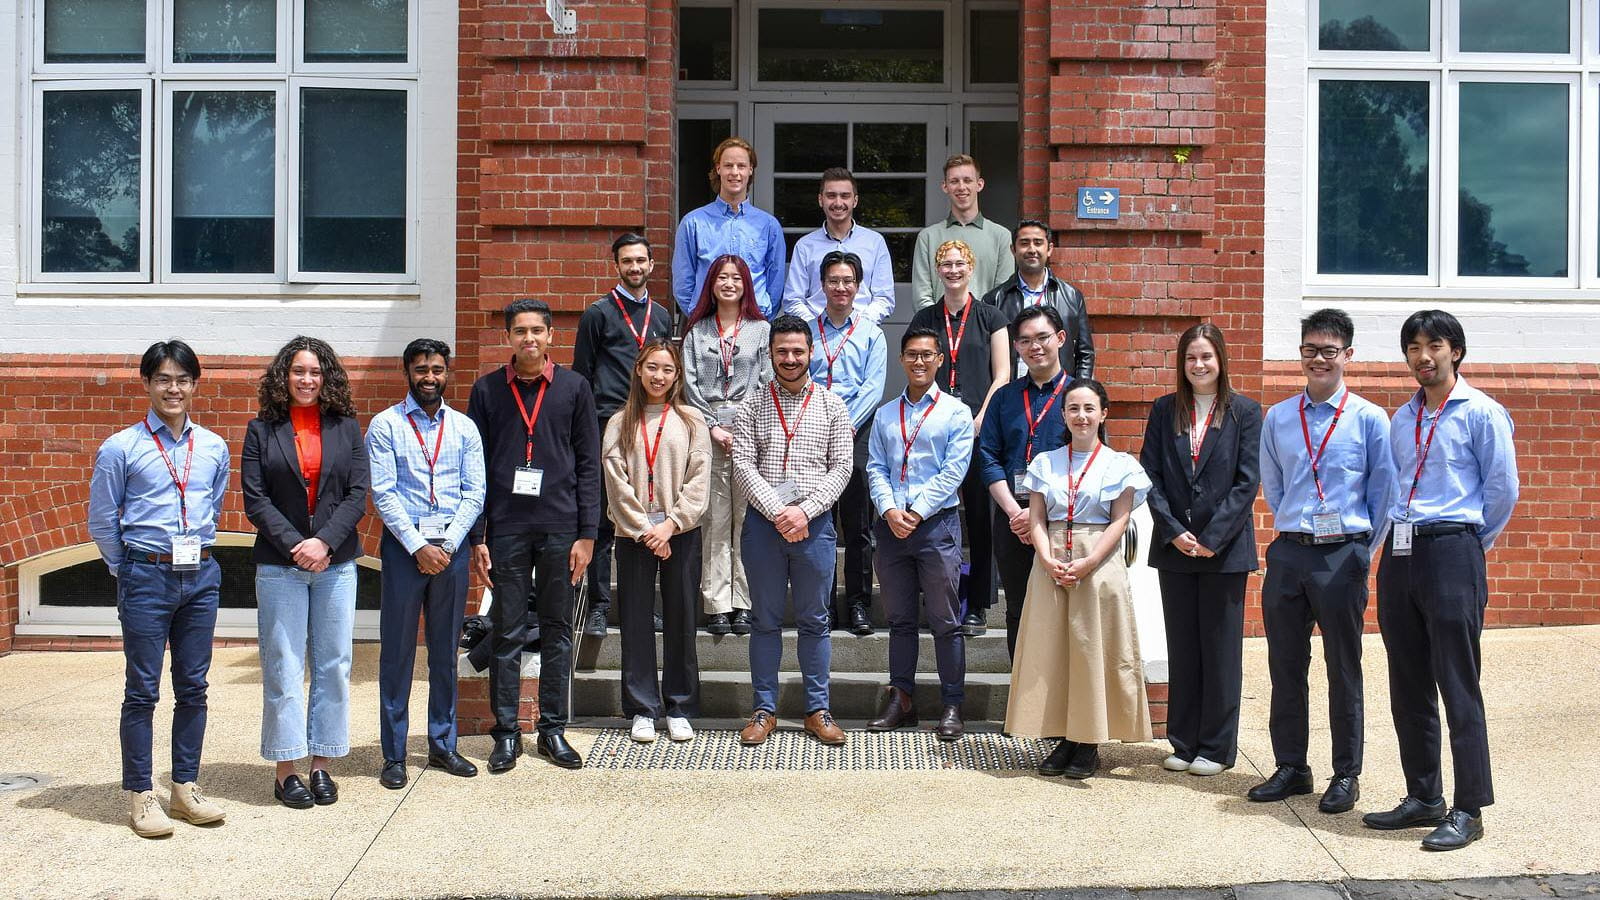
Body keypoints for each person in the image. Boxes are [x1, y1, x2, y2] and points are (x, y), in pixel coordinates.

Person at [1363, 310, 1519, 852]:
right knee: (1407, 682)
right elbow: (1393, 489)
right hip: (1401, 552)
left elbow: (1502, 491)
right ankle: (1423, 795)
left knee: (1457, 682)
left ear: (1456, 351)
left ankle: (1469, 807)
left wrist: (1468, 544)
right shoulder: (1402, 418)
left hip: (1453, 548)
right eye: (1413, 347)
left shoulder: (1482, 413)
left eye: (1434, 345)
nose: (1422, 356)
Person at [1250, 309, 1394, 812]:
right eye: (1310, 350)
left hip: (1343, 554)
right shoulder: (1278, 417)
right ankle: (1292, 766)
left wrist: (1360, 552)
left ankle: (1346, 773)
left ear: (1347, 355)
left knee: (1343, 666)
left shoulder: (1370, 419)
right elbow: (1274, 484)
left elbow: (1384, 494)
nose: (1319, 359)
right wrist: (1299, 525)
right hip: (1290, 551)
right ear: (1301, 354)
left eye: (1329, 351)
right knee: (1285, 664)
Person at [88, 340, 231, 837]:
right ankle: (141, 794)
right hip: (146, 574)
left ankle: (185, 788)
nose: (174, 389)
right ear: (147, 384)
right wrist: (127, 568)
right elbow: (102, 519)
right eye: (164, 379)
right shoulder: (121, 448)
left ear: (194, 385)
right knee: (142, 691)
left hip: (201, 577)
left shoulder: (212, 446)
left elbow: (213, 504)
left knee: (194, 687)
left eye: (183, 380)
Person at [467, 299, 601, 773]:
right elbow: (475, 469)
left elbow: (589, 464)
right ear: (508, 337)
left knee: (557, 629)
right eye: (520, 331)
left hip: (561, 527)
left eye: (537, 331)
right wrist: (478, 536)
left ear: (550, 336)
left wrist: (588, 534)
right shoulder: (486, 390)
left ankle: (552, 730)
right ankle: (506, 734)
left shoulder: (574, 388)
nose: (529, 338)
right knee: (506, 630)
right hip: (506, 528)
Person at [241, 337, 370, 809]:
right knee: (284, 665)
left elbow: (357, 493)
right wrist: (298, 545)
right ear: (284, 375)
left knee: (334, 665)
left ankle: (322, 764)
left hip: (336, 564)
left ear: (327, 377)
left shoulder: (347, 428)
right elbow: (255, 499)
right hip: (281, 565)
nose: (307, 379)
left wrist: (325, 542)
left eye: (315, 372)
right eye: (299, 371)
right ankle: (286, 769)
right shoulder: (261, 429)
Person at [1006, 378, 1152, 780]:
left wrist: (1088, 562)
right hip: (1051, 558)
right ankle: (1064, 736)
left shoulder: (1120, 465)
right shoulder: (1045, 462)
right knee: (1054, 650)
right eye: (1073, 408)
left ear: (1103, 413)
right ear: (1064, 415)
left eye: (1089, 408)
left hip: (1097, 560)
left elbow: (1120, 519)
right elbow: (1037, 517)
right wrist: (1046, 557)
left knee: (1093, 649)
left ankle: (1089, 740)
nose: (1081, 416)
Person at [1142, 324, 1263, 780]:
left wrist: (1213, 537)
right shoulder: (1165, 409)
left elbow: (1247, 481)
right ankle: (1184, 741)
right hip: (1175, 550)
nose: (1198, 365)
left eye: (1206, 357)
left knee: (1220, 650)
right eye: (1191, 357)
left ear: (1221, 360)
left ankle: (1216, 746)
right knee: (1184, 646)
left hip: (1224, 552)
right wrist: (1173, 531)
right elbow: (1150, 475)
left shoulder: (1244, 412)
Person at [366, 338, 485, 789]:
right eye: (421, 369)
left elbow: (475, 493)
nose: (429, 377)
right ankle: (394, 754)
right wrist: (419, 546)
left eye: (437, 369)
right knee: (397, 653)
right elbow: (384, 494)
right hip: (404, 549)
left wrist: (448, 544)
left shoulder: (464, 428)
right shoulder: (385, 425)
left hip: (450, 551)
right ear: (407, 372)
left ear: (447, 373)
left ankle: (442, 744)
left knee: (444, 651)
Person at [732, 314, 855, 746]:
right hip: (763, 527)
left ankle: (817, 710)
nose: (789, 358)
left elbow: (842, 467)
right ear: (770, 353)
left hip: (815, 526)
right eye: (781, 351)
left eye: (797, 351)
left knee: (815, 621)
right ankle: (763, 710)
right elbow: (742, 464)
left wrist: (804, 512)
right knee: (764, 621)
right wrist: (778, 511)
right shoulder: (751, 405)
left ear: (811, 353)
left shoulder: (832, 406)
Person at [863, 327, 975, 739]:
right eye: (912, 354)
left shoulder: (956, 413)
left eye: (927, 354)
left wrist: (916, 510)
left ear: (940, 360)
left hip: (936, 526)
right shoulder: (885, 414)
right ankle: (902, 699)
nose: (919, 361)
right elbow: (876, 466)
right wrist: (890, 509)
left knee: (945, 620)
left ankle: (952, 703)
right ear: (901, 360)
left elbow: (954, 470)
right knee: (900, 620)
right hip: (892, 528)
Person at [603, 340, 712, 743]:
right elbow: (615, 482)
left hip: (680, 534)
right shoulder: (619, 422)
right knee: (636, 621)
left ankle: (679, 706)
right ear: (638, 369)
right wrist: (646, 530)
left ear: (677, 375)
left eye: (667, 369)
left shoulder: (691, 420)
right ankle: (642, 708)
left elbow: (699, 479)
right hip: (634, 535)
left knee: (681, 619)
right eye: (652, 367)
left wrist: (670, 525)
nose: (659, 376)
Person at [573, 233, 674, 638]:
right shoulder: (597, 314)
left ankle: (645, 606)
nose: (634, 267)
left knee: (650, 513)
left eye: (640, 260)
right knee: (602, 518)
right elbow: (582, 375)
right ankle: (599, 606)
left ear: (652, 265)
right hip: (608, 422)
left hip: (652, 423)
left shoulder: (661, 316)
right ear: (616, 266)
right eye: (627, 261)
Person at [908, 239, 1010, 636]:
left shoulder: (991, 317)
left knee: (981, 516)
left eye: (959, 263)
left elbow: (1003, 374)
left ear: (971, 268)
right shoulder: (925, 318)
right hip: (935, 428)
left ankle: (978, 605)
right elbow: (917, 369)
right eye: (946, 264)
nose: (953, 270)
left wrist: (982, 416)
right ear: (938, 271)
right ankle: (936, 596)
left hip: (979, 426)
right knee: (932, 511)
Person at [681, 255, 772, 635]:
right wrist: (712, 426)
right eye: (722, 277)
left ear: (746, 284)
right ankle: (717, 603)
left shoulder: (761, 330)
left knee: (747, 522)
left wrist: (743, 427)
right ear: (712, 284)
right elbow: (689, 386)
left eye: (736, 277)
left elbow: (767, 381)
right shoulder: (697, 332)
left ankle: (744, 603)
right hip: (709, 434)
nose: (729, 283)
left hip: (750, 434)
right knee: (715, 520)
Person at [976, 306, 1072, 657]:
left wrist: (1039, 514)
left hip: (1062, 520)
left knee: (1063, 607)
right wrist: (1017, 513)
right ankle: (1021, 689)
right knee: (1017, 608)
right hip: (1012, 519)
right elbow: (988, 458)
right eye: (1026, 340)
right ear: (1016, 347)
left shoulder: (1079, 396)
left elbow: (1089, 462)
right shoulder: (1004, 398)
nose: (1035, 347)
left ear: (1060, 338)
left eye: (1043, 337)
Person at [807, 251, 887, 635]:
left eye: (848, 281)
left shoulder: (872, 334)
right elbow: (796, 376)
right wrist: (819, 426)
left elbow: (873, 388)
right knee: (819, 524)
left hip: (857, 435)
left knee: (858, 527)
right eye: (834, 280)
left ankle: (858, 604)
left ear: (858, 286)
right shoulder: (806, 331)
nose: (841, 287)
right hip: (810, 433)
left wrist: (843, 427)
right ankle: (822, 605)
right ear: (823, 285)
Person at [672, 136, 786, 318]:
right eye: (728, 165)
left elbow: (776, 282)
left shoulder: (769, 226)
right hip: (706, 323)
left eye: (741, 166)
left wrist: (763, 320)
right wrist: (698, 318)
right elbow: (682, 283)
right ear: (718, 169)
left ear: (750, 170)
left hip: (755, 322)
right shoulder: (693, 223)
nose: (735, 172)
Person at [981, 219, 1094, 381]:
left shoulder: (1071, 297)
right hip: (1013, 389)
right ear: (1013, 250)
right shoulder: (994, 300)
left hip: (1060, 390)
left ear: (1049, 249)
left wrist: (1079, 388)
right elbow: (985, 357)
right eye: (1024, 243)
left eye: (1038, 243)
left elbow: (1085, 353)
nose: (1032, 249)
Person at [782, 167, 896, 323]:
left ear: (855, 201)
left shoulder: (875, 243)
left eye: (845, 196)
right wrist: (815, 326)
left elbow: (884, 298)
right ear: (821, 200)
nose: (838, 203)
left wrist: (860, 326)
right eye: (831, 196)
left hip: (863, 330)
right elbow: (793, 299)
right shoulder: (804, 246)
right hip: (814, 332)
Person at [910, 154, 1014, 309]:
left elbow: (1003, 297)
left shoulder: (1001, 237)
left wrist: (981, 321)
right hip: (938, 323)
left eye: (967, 180)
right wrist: (940, 323)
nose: (961, 187)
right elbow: (922, 297)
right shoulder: (928, 238)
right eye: (954, 181)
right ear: (945, 186)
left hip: (987, 323)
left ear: (979, 184)